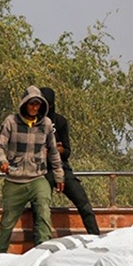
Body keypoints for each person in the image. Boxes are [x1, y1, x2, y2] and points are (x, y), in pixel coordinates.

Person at [0, 86, 64, 253]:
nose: (34, 108)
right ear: (25, 104)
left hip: (37, 178)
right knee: (7, 222)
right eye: (32, 104)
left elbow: (53, 152)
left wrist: (59, 176)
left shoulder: (45, 124)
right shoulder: (11, 122)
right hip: (14, 179)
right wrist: (2, 162)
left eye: (38, 105)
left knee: (43, 214)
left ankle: (43, 253)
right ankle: (1, 253)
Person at [41, 86, 100, 236]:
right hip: (42, 171)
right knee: (40, 207)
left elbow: (67, 151)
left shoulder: (61, 121)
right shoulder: (33, 123)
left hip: (62, 168)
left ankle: (96, 237)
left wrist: (57, 150)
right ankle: (41, 242)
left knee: (84, 204)